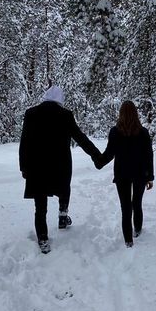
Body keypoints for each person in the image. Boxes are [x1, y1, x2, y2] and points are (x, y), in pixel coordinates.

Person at [19, 85, 101, 254]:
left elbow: (24, 142)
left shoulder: (31, 113)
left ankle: (43, 238)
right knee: (64, 189)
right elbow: (80, 137)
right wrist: (96, 155)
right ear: (60, 100)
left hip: (37, 166)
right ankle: (63, 216)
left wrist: (23, 166)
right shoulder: (65, 115)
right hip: (60, 164)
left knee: (40, 206)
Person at [96, 100, 154, 247]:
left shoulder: (115, 132)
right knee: (137, 203)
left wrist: (98, 161)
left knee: (125, 207)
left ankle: (128, 241)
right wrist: (150, 177)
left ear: (120, 114)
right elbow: (148, 156)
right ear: (136, 114)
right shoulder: (143, 132)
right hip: (140, 174)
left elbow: (109, 154)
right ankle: (138, 229)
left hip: (122, 174)